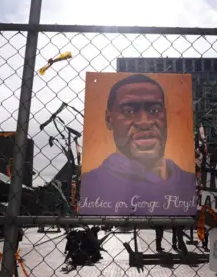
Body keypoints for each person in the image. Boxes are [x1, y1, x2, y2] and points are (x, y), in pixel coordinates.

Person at [80, 74, 196, 216]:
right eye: (129, 111)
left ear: (165, 116)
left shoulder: (190, 183)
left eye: (154, 110)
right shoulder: (90, 185)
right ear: (109, 119)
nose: (144, 122)